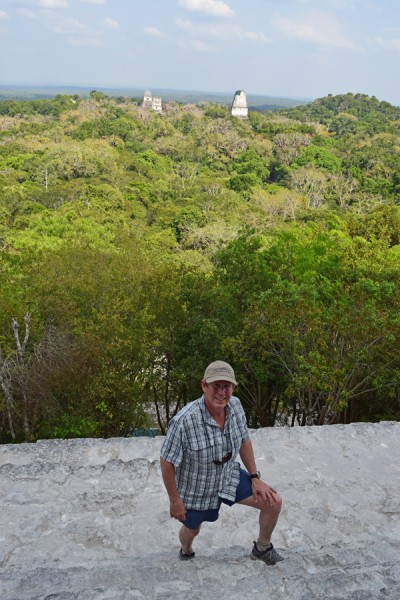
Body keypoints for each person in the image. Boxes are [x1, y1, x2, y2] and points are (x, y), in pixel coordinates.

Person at [160, 360, 283, 564]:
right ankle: (186, 550)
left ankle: (262, 548)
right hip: (196, 488)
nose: (221, 392)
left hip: (227, 477)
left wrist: (254, 477)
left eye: (227, 386)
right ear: (204, 386)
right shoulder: (184, 421)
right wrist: (175, 500)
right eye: (216, 386)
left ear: (233, 388)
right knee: (192, 530)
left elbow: (244, 439)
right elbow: (166, 462)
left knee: (273, 502)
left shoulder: (235, 406)